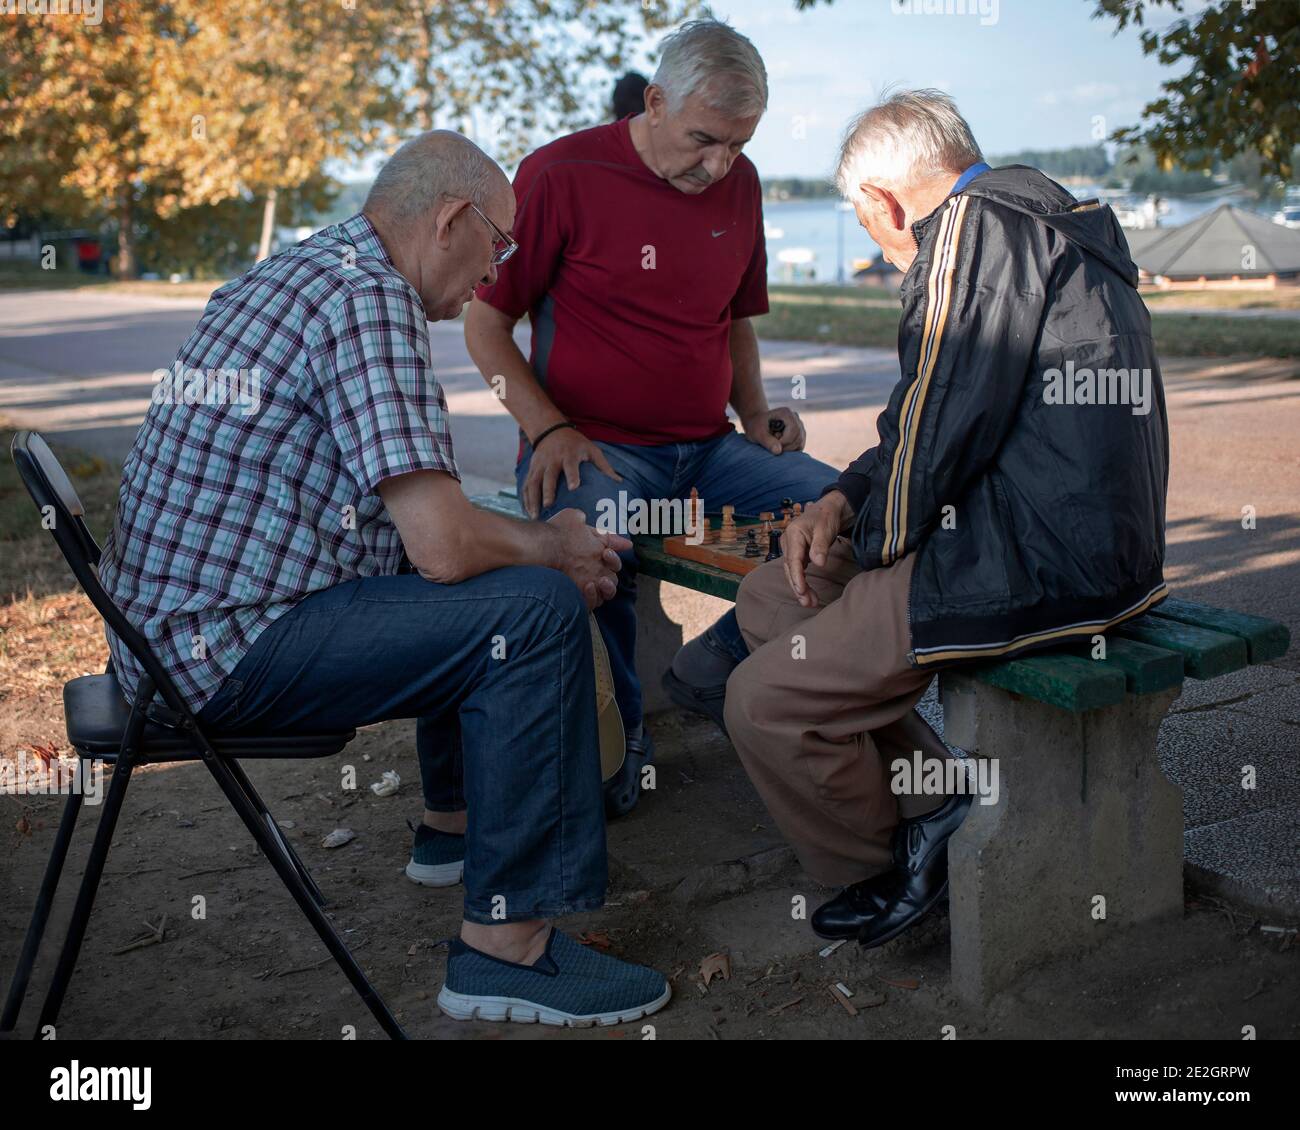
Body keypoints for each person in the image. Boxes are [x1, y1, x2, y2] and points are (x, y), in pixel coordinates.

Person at [96, 130, 671, 1027]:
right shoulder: (371, 301)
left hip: (171, 633)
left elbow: (415, 529)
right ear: (451, 220)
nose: (497, 273)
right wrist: (552, 547)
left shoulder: (315, 268)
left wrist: (514, 540)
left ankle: (451, 834)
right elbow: (445, 546)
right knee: (535, 609)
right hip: (217, 651)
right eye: (500, 243)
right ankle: (507, 953)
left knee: (484, 575)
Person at [715, 90, 1170, 947]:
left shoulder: (971, 230)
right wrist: (840, 501)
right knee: (774, 601)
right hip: (1084, 551)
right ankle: (935, 792)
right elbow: (929, 409)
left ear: (883, 201)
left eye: (865, 221)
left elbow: (940, 431)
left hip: (1036, 562)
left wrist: (874, 545)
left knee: (762, 703)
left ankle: (894, 862)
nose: (882, 250)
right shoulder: (1037, 218)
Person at [466, 19, 840, 817]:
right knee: (588, 562)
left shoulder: (740, 183)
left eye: (739, 144)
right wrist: (549, 429)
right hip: (594, 450)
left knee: (855, 517)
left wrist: (758, 414)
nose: (722, 165)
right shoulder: (558, 174)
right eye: (705, 139)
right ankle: (616, 746)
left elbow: (736, 318)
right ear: (655, 100)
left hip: (709, 449)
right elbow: (484, 326)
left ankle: (715, 671)